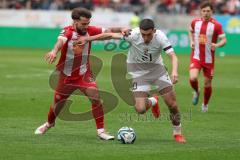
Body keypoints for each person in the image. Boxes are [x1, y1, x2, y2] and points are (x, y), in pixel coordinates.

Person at [79, 18, 186, 143]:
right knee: (140, 109)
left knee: (172, 104)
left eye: (149, 35)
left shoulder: (160, 36)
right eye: (143, 34)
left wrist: (174, 71)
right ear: (139, 31)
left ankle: (177, 133)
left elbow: (173, 56)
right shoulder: (133, 34)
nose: (145, 38)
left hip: (158, 71)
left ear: (154, 31)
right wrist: (87, 39)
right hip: (139, 73)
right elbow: (110, 35)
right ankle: (153, 101)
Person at [34, 7, 127, 140]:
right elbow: (60, 42)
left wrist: (122, 28)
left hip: (84, 73)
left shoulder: (90, 30)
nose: (86, 26)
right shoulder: (67, 31)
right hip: (66, 76)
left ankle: (101, 131)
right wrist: (54, 51)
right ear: (75, 21)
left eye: (88, 23)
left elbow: (109, 31)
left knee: (95, 97)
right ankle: (49, 123)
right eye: (84, 23)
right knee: (58, 103)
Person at [188, 1, 227, 112]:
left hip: (209, 60)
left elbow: (224, 40)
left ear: (212, 12)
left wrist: (217, 45)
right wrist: (191, 41)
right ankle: (196, 91)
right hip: (196, 57)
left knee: (207, 83)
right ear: (200, 12)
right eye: (204, 11)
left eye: (208, 11)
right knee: (193, 78)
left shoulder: (217, 25)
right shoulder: (195, 22)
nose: (205, 13)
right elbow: (190, 31)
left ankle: (205, 104)